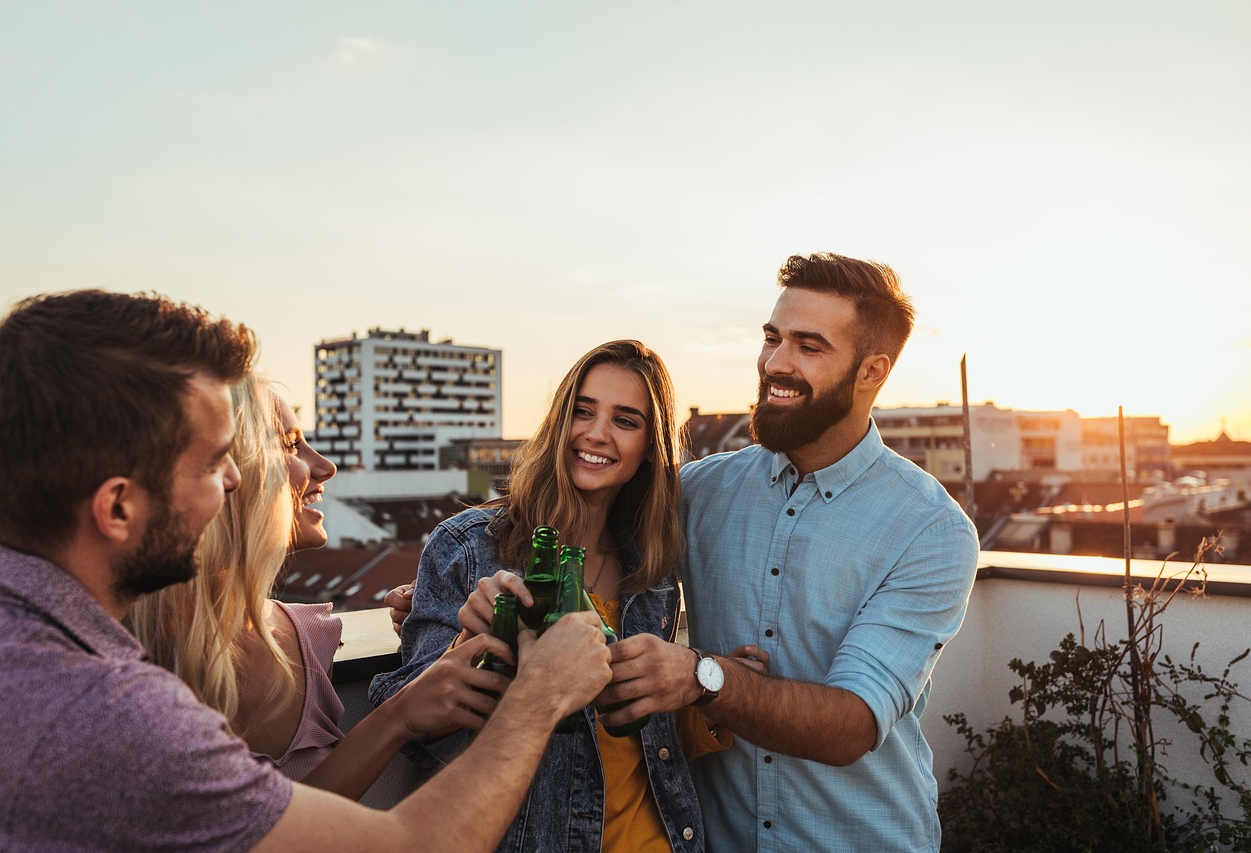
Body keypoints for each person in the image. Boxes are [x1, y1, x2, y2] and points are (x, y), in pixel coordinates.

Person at [0, 289, 613, 852]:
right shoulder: (109, 715)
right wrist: (537, 699)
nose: (234, 482)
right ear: (117, 507)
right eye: (213, 464)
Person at [594, 253, 980, 851]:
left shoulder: (929, 530)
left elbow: (853, 723)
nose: (775, 363)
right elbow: (579, 532)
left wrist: (703, 677)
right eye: (772, 339)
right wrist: (460, 587)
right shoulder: (699, 491)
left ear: (871, 371)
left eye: (809, 346)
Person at [370, 340, 759, 852]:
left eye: (625, 420)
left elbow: (637, 739)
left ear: (649, 447)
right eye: (583, 411)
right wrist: (475, 647)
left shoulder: (651, 571)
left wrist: (712, 694)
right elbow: (417, 736)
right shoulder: (469, 548)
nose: (596, 434)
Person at [130, 376, 498, 800]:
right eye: (290, 445)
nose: (326, 467)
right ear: (224, 469)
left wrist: (430, 619)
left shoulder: (309, 637)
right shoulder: (124, 660)